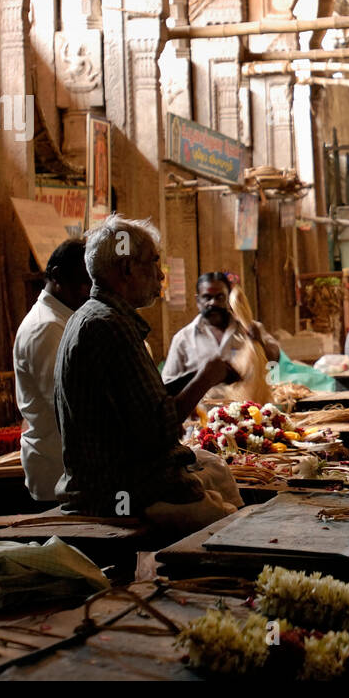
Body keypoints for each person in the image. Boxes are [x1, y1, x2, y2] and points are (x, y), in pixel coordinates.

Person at [55, 216, 244, 534]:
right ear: (127, 269)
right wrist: (205, 379)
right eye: (154, 263)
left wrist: (194, 377)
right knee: (233, 522)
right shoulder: (111, 326)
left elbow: (135, 404)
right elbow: (161, 431)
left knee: (216, 468)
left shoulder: (90, 316)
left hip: (101, 481)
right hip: (119, 489)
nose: (160, 275)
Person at [13, 238, 92, 502]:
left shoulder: (64, 320)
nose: (88, 290)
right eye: (82, 282)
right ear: (56, 277)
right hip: (56, 472)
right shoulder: (46, 328)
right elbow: (69, 405)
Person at [162, 272, 281, 399]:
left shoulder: (250, 328)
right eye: (207, 297)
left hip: (247, 412)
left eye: (220, 297)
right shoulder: (183, 339)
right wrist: (202, 377)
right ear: (198, 301)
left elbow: (274, 362)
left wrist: (259, 342)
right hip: (202, 415)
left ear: (228, 299)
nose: (213, 303)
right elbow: (167, 385)